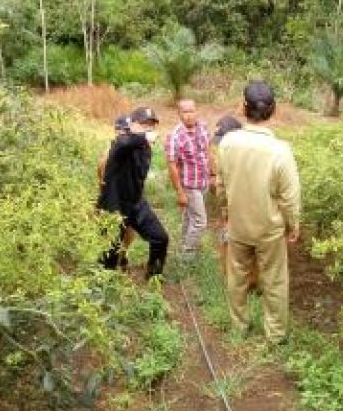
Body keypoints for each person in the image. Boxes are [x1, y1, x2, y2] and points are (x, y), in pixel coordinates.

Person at [216, 81, 301, 344]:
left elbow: (221, 183)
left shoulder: (227, 142)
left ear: (243, 107)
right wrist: (294, 224)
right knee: (273, 281)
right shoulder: (280, 150)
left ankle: (239, 326)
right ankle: (275, 335)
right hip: (269, 228)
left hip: (238, 224)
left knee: (237, 276)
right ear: (273, 110)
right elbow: (290, 196)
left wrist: (225, 211)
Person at [98, 107, 169, 279]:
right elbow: (124, 142)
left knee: (160, 238)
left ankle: (154, 276)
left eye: (151, 125)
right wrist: (143, 136)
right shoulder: (120, 145)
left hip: (136, 203)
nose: (149, 128)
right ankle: (103, 288)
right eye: (144, 124)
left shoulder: (145, 148)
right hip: (114, 206)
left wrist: (144, 139)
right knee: (110, 254)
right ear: (132, 124)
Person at [164, 99, 211, 259]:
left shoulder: (203, 127)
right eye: (185, 112)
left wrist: (213, 173)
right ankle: (187, 255)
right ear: (179, 114)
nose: (189, 115)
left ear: (196, 111)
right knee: (200, 222)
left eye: (192, 111)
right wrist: (180, 192)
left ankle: (184, 245)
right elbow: (172, 165)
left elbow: (207, 151)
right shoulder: (175, 136)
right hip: (189, 185)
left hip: (203, 182)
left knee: (190, 217)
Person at [97, 115, 136, 268]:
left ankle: (124, 254)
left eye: (128, 131)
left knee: (129, 230)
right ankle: (109, 262)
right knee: (110, 231)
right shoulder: (108, 155)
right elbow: (102, 181)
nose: (125, 133)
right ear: (116, 131)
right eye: (122, 130)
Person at [209, 115, 243, 272]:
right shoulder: (223, 153)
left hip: (243, 208)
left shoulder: (245, 156)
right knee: (226, 237)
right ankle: (228, 271)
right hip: (229, 206)